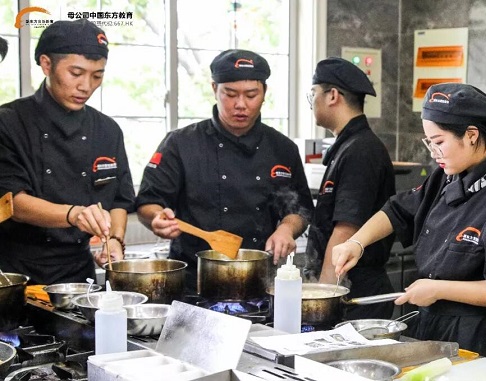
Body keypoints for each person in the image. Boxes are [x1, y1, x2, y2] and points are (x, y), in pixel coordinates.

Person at [331, 82, 486, 364]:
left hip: (482, 337)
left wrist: (439, 289)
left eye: (439, 141)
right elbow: (398, 210)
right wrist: (356, 242)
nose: (433, 152)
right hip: (432, 327)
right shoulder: (447, 175)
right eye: (428, 142)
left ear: (471, 135)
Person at [136, 49, 314, 295]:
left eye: (251, 95)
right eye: (230, 94)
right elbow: (148, 202)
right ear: (214, 89)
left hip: (260, 282)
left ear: (264, 93)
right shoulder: (180, 143)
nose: (240, 104)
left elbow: (300, 210)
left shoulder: (282, 149)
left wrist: (286, 228)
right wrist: (156, 217)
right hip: (192, 283)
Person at [0, 19, 135, 285]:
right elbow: (11, 202)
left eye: (97, 76)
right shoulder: (9, 121)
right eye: (76, 73)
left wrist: (116, 241)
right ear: (46, 64)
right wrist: (74, 214)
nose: (86, 86)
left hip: (78, 274)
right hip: (15, 273)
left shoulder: (107, 130)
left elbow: (119, 199)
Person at [304, 57, 396, 320]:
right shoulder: (347, 145)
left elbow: (346, 229)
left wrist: (321, 299)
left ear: (332, 95)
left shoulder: (361, 151)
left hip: (354, 292)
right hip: (346, 286)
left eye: (314, 94)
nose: (313, 103)